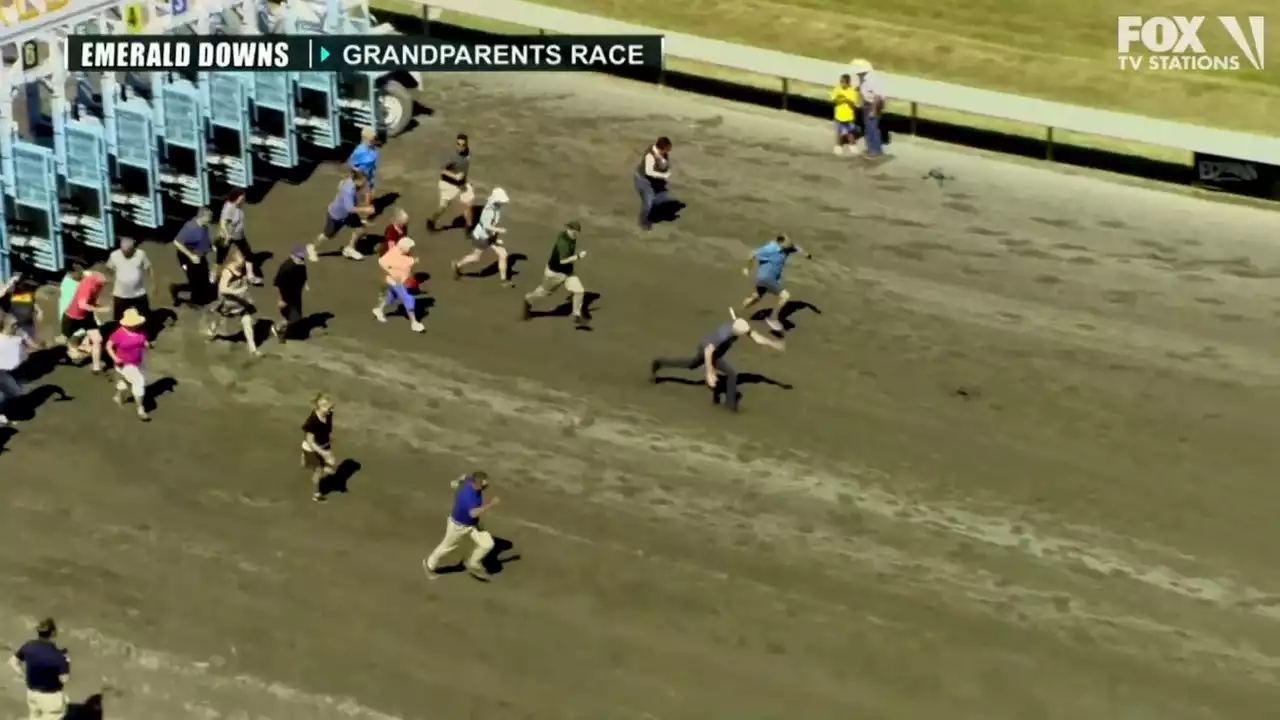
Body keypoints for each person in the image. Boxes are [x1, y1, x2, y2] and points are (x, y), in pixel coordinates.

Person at [649, 314, 784, 412]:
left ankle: (728, 403)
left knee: (698, 366)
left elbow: (756, 338)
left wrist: (773, 344)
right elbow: (709, 351)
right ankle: (729, 405)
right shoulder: (723, 334)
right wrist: (709, 373)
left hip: (716, 353)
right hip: (706, 349)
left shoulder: (739, 326)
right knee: (726, 372)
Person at [422, 471, 499, 581]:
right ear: (477, 484)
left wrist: (457, 481)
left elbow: (463, 477)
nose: (487, 486)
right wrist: (491, 504)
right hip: (458, 526)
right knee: (447, 547)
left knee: (487, 544)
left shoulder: (469, 482)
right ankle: (429, 564)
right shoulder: (468, 497)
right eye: (484, 484)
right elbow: (473, 513)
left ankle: (471, 563)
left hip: (472, 524)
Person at [521, 220, 589, 328]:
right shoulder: (563, 242)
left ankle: (576, 315)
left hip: (567, 272)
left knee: (579, 291)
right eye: (575, 231)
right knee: (544, 292)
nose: (576, 234)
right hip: (554, 273)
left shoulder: (571, 237)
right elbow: (562, 261)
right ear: (570, 229)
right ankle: (528, 299)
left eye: (577, 232)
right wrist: (578, 257)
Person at [741, 234, 811, 332]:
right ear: (780, 242)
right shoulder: (770, 248)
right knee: (785, 296)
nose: (790, 246)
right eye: (787, 244)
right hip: (765, 278)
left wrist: (806, 254)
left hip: (772, 278)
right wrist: (747, 268)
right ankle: (772, 318)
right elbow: (753, 253)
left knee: (756, 297)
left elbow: (797, 248)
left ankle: (739, 312)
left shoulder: (787, 247)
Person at [7, 617, 69, 720]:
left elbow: (12, 662)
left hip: (32, 694)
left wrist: (24, 675)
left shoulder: (29, 646)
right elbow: (64, 679)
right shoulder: (58, 656)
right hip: (50, 697)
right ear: (53, 633)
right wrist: (67, 661)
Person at [309, 170, 374, 262]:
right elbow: (350, 208)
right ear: (356, 181)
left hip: (347, 215)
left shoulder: (354, 182)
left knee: (360, 228)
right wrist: (366, 209)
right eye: (362, 182)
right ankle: (312, 247)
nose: (364, 184)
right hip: (336, 215)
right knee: (327, 235)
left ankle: (350, 248)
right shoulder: (348, 191)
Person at [450, 187, 511, 286]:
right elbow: (486, 226)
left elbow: (493, 224)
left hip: (489, 236)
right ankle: (457, 265)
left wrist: (496, 235)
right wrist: (499, 230)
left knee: (503, 254)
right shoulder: (490, 210)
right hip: (482, 237)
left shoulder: (496, 208)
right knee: (475, 257)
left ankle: (503, 280)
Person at [205, 247, 260, 356]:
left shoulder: (244, 268)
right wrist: (238, 291)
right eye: (240, 262)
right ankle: (211, 332)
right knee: (220, 318)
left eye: (243, 261)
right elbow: (222, 289)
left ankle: (252, 348)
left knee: (247, 320)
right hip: (228, 302)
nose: (242, 264)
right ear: (234, 261)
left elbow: (246, 281)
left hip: (240, 302)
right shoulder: (228, 271)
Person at [106, 308, 150, 421]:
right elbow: (108, 346)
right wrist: (115, 358)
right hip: (124, 364)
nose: (136, 325)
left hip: (138, 362)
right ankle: (140, 408)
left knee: (124, 383)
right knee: (139, 382)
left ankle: (118, 397)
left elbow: (142, 340)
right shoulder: (119, 333)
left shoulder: (140, 330)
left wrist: (145, 343)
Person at [372, 237, 425, 333]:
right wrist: (390, 271)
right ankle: (414, 322)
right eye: (409, 248)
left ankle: (378, 309)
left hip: (397, 281)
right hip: (397, 282)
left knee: (391, 296)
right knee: (408, 298)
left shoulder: (401, 253)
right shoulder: (395, 254)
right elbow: (383, 262)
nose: (411, 249)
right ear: (403, 247)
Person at [60, 269, 108, 372]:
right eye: (104, 281)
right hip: (72, 316)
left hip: (87, 316)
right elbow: (82, 305)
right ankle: (62, 356)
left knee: (98, 340)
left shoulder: (99, 282)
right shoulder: (88, 285)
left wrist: (95, 304)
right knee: (64, 339)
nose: (105, 283)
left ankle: (96, 367)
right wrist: (100, 309)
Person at [106, 236, 154, 337]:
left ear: (133, 248)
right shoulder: (114, 255)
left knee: (144, 314)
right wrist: (114, 279)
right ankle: (119, 336)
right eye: (123, 250)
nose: (125, 253)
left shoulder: (141, 254)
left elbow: (149, 268)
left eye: (128, 251)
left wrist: (153, 283)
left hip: (138, 292)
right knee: (118, 317)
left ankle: (146, 335)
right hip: (120, 293)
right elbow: (109, 268)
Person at [426, 133, 475, 232]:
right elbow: (441, 169)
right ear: (455, 144)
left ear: (467, 145)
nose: (460, 147)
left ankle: (470, 228)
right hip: (448, 184)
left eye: (463, 145)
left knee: (468, 204)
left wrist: (463, 179)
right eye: (458, 144)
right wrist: (454, 176)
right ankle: (431, 221)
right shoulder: (451, 156)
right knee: (443, 207)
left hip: (462, 184)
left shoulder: (467, 153)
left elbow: (464, 166)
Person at [0, 314, 38, 427]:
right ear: (4, 326)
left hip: (18, 369)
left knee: (10, 394)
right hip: (2, 371)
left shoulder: (19, 334)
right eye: (13, 325)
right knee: (9, 394)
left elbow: (34, 346)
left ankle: (3, 413)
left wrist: (28, 340)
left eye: (16, 324)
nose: (16, 326)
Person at [172, 208, 216, 306]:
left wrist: (210, 246)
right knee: (195, 281)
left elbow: (205, 237)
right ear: (202, 217)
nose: (211, 220)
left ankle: (202, 295)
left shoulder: (204, 226)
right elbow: (177, 242)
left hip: (201, 256)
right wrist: (191, 256)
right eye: (210, 218)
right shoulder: (190, 227)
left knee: (205, 276)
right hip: (190, 259)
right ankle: (182, 296)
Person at [217, 189, 261, 284]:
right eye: (243, 196)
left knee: (248, 254)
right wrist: (227, 235)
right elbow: (223, 222)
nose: (244, 197)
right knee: (220, 258)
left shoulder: (238, 205)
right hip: (227, 237)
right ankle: (215, 277)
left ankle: (250, 276)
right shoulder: (229, 207)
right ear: (238, 197)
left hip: (239, 236)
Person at [301, 393, 338, 502]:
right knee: (319, 471)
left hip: (324, 444)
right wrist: (322, 452)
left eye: (332, 408)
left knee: (332, 465)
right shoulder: (312, 421)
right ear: (321, 407)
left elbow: (327, 428)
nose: (331, 410)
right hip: (312, 449)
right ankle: (317, 494)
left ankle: (307, 463)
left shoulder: (329, 414)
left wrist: (329, 438)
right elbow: (310, 441)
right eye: (329, 408)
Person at [634, 136, 673, 230]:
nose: (667, 152)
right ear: (662, 148)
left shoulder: (661, 154)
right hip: (643, 179)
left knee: (663, 198)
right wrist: (664, 176)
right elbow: (649, 172)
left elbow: (663, 164)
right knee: (648, 203)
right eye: (667, 150)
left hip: (654, 179)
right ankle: (643, 225)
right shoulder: (650, 156)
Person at [271, 248, 309, 343]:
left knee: (295, 316)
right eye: (299, 257)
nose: (301, 259)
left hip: (295, 295)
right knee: (292, 317)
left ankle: (284, 331)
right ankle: (277, 328)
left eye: (302, 257)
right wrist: (281, 300)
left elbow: (303, 276)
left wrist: (306, 284)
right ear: (292, 256)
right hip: (286, 296)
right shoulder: (286, 268)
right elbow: (278, 285)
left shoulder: (301, 265)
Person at [850, 59, 884, 158]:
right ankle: (871, 148)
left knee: (872, 128)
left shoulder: (871, 80)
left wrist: (873, 111)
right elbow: (863, 89)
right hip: (867, 104)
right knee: (868, 128)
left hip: (873, 105)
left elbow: (878, 97)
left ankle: (876, 150)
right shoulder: (864, 79)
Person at [380, 208, 418, 294]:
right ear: (398, 221)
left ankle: (403, 285)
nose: (406, 224)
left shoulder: (403, 228)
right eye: (404, 222)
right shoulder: (391, 230)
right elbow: (391, 246)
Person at [829, 73, 860, 155]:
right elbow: (833, 99)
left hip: (848, 116)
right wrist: (839, 99)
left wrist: (847, 100)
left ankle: (852, 145)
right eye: (841, 82)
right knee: (838, 132)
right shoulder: (837, 90)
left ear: (848, 83)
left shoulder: (851, 91)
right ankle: (838, 146)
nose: (841, 84)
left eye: (843, 82)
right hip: (839, 115)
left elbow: (854, 103)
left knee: (849, 132)